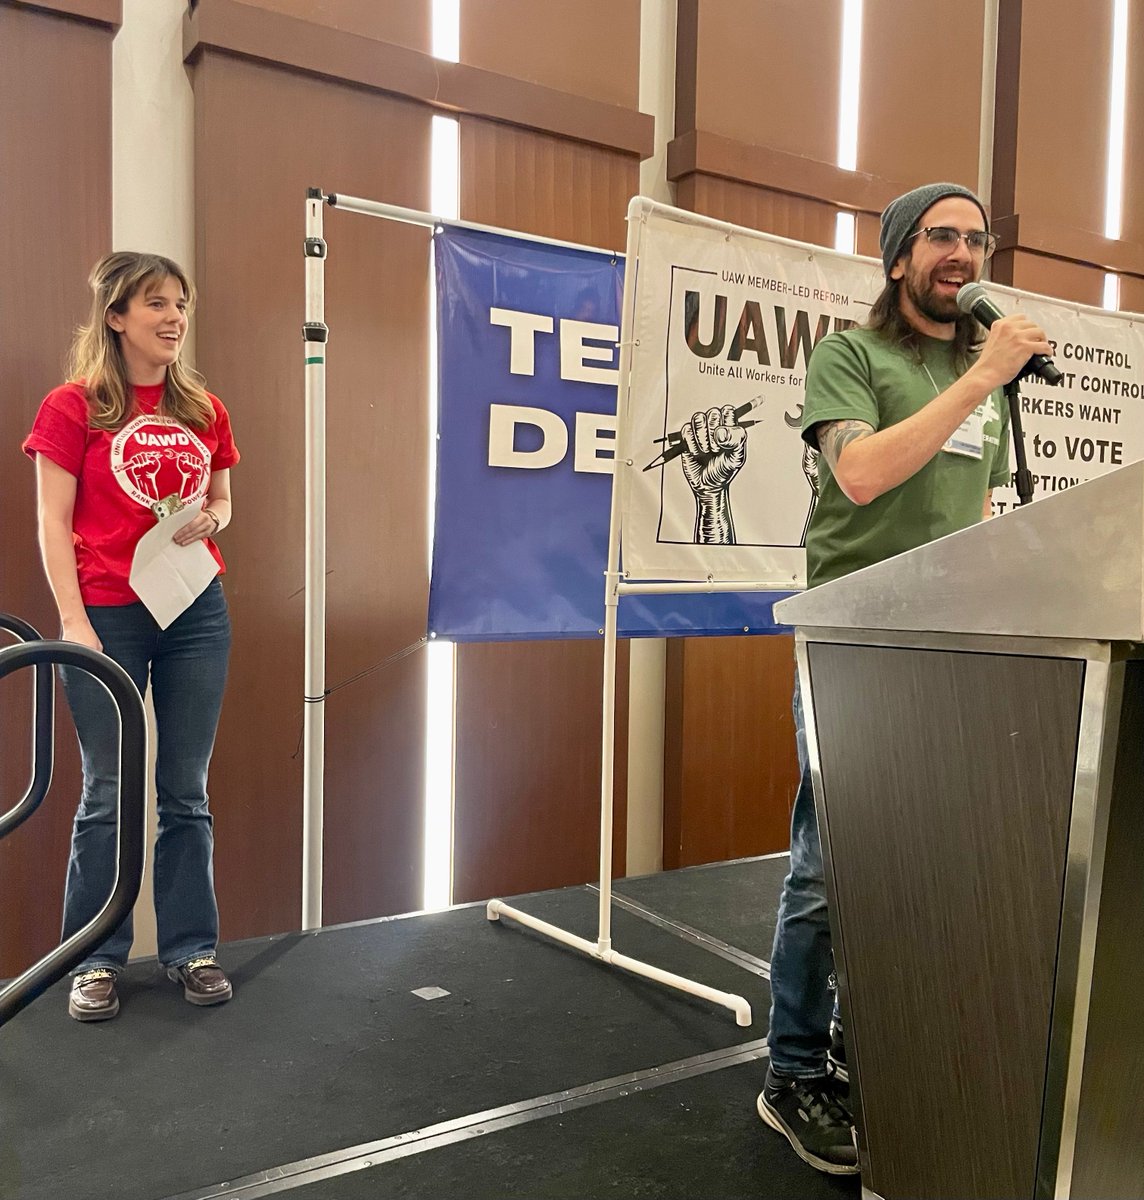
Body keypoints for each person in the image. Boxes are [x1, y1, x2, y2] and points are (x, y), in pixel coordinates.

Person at [757, 183, 1053, 1173]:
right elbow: (861, 475)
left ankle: (860, 1043)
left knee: (911, 861)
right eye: (940, 237)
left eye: (976, 238)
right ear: (898, 258)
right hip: (850, 636)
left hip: (946, 644)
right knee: (827, 864)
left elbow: (967, 514)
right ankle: (791, 1071)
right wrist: (978, 380)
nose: (962, 252)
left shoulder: (982, 373)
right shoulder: (852, 356)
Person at [23, 251, 240, 1022]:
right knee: (108, 793)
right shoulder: (73, 406)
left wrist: (216, 518)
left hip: (195, 611)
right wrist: (74, 622)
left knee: (186, 792)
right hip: (107, 615)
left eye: (180, 303)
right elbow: (51, 521)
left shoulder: (201, 408)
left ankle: (191, 949)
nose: (174, 317)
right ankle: (93, 960)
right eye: (156, 304)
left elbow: (221, 499)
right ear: (116, 316)